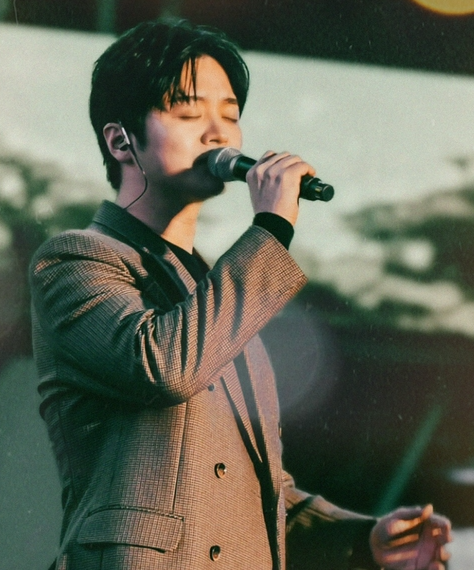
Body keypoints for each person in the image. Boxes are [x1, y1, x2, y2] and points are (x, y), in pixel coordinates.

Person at [29, 19, 451, 570]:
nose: (218, 134)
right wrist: (270, 229)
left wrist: (363, 538)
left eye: (229, 115)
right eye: (189, 114)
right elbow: (162, 365)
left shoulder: (218, 294)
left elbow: (251, 497)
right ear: (120, 140)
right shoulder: (76, 260)